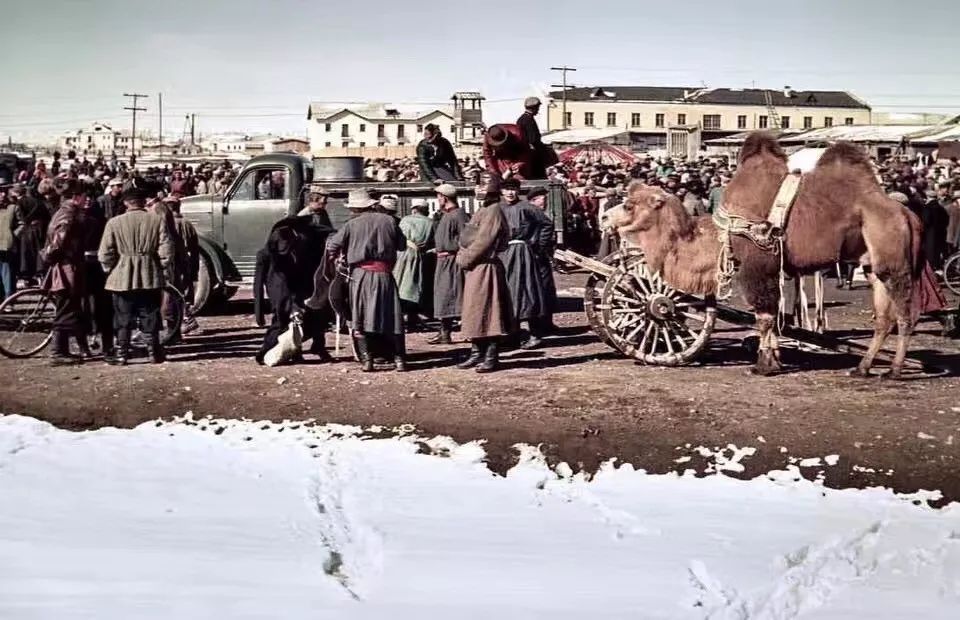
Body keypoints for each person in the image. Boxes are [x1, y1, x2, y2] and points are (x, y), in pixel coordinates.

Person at [325, 189, 406, 372]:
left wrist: (338, 259)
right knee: (392, 317)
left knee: (360, 317)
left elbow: (333, 245)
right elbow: (402, 246)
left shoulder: (351, 225)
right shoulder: (390, 221)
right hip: (385, 274)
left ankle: (367, 360)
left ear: (355, 208)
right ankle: (400, 360)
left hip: (360, 275)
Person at [98, 186, 174, 365]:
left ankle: (122, 354)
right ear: (144, 202)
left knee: (122, 317)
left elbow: (105, 253)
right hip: (150, 275)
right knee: (150, 314)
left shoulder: (114, 223)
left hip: (121, 277)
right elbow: (166, 249)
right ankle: (154, 352)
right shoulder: (156, 220)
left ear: (126, 203)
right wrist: (159, 265)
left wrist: (111, 269)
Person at [455, 188, 511, 373]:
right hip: (476, 267)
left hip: (485, 266)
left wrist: (465, 258)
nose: (478, 189)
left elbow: (484, 240)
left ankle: (491, 357)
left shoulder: (493, 210)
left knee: (489, 312)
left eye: (483, 185)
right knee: (474, 311)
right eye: (477, 185)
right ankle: (476, 352)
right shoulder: (484, 209)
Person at [40, 181, 91, 365]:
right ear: (76, 197)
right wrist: (52, 258)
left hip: (65, 264)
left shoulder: (62, 212)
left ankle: (71, 349)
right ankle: (58, 352)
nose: (87, 199)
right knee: (66, 306)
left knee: (69, 306)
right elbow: (58, 243)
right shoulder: (69, 216)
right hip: (67, 267)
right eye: (84, 196)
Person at [498, 178, 546, 349]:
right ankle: (513, 334)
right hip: (504, 254)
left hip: (523, 253)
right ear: (501, 192)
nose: (510, 193)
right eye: (507, 189)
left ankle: (535, 334)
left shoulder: (528, 207)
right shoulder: (498, 208)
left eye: (513, 189)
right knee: (508, 293)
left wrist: (538, 246)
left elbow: (546, 224)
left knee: (528, 291)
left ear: (518, 191)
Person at [428, 184, 471, 344]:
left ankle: (468, 332)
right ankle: (444, 332)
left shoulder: (458, 215)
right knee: (443, 296)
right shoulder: (447, 215)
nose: (438, 199)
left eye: (438, 196)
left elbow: (466, 239)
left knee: (455, 296)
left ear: (444, 198)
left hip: (453, 262)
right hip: (443, 261)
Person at [393, 201, 434, 329]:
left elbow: (398, 237)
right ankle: (412, 316)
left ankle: (399, 317)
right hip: (420, 256)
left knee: (399, 285)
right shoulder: (430, 223)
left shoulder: (405, 220)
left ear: (414, 209)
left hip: (403, 254)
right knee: (415, 286)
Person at [525, 186, 558, 332]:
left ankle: (545, 322)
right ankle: (542, 324)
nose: (545, 202)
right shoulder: (534, 212)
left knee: (544, 288)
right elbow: (546, 228)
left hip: (537, 254)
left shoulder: (530, 211)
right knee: (542, 288)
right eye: (543, 199)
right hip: (537, 255)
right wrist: (541, 247)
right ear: (535, 200)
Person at [11, 182, 49, 285]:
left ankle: (26, 277)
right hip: (39, 229)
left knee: (25, 254)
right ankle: (40, 274)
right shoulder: (39, 202)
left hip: (26, 230)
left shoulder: (19, 203)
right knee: (38, 252)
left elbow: (20, 218)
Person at [516, 97, 555, 180]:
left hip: (525, 153)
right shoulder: (528, 120)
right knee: (538, 176)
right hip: (533, 154)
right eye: (538, 108)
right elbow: (533, 139)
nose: (538, 110)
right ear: (534, 108)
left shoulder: (521, 119)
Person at [0, 185, 17, 300]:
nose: (3, 195)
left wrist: (13, 235)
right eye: (0, 192)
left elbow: (22, 223)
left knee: (7, 272)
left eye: (4, 192)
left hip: (6, 244)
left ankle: (8, 298)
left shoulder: (12, 207)